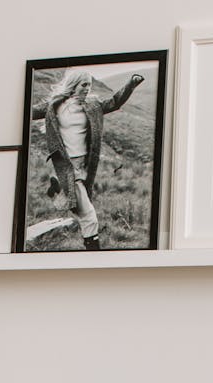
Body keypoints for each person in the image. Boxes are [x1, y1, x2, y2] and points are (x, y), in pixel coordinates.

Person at [31, 68, 145, 249]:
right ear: (74, 85)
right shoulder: (55, 106)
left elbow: (114, 103)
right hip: (67, 165)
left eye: (89, 85)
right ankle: (93, 249)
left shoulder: (92, 106)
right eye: (84, 85)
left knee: (79, 206)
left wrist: (131, 84)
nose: (87, 88)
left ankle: (57, 192)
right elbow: (27, 112)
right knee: (88, 214)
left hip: (85, 166)